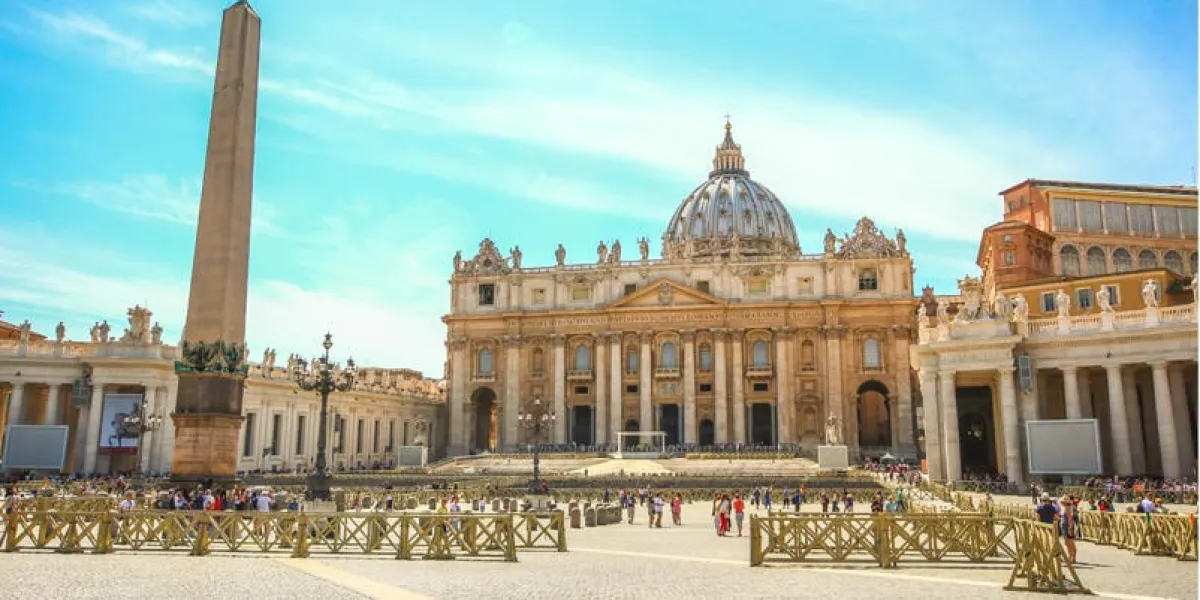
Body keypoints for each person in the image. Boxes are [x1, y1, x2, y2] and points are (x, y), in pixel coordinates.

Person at [1059, 495, 1077, 565]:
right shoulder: (1068, 507)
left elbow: (1070, 519)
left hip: (1067, 527)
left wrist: (1070, 528)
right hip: (1066, 527)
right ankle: (1072, 558)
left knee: (1069, 543)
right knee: (1070, 543)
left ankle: (1071, 558)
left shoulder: (1068, 508)